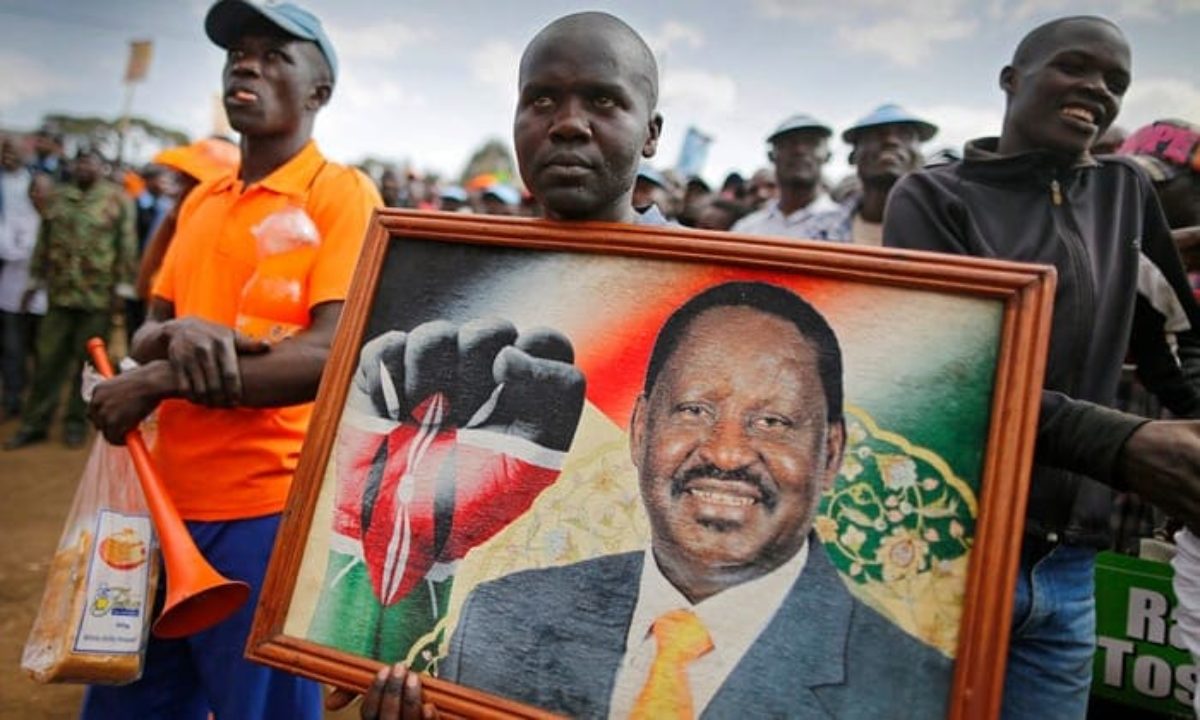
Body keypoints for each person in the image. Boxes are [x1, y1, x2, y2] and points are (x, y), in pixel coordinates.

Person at [350, 282, 952, 720]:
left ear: (831, 452)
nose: (726, 452)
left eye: (772, 422)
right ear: (640, 431)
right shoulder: (504, 615)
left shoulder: (916, 691)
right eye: (694, 410)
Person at [321, 9, 673, 709]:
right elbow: (359, 643)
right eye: (541, 100)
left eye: (603, 101)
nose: (567, 124)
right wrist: (387, 617)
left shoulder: (712, 307)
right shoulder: (448, 291)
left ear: (652, 133)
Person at [882, 16, 1200, 720]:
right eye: (1075, 67)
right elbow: (945, 378)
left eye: (1116, 81)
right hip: (945, 551)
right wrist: (1121, 445)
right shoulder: (933, 197)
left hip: (1069, 568)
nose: (1097, 89)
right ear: (1011, 79)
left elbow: (1176, 346)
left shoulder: (1125, 194)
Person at [85, 1, 381, 718]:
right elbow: (150, 327)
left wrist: (159, 378)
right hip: (157, 504)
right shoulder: (203, 202)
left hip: (263, 516)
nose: (246, 65)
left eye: (275, 56)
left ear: (319, 91)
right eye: (238, 54)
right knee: (132, 703)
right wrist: (180, 335)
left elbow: (327, 355)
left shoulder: (341, 195)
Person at [4, 147, 135, 450]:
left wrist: (122, 290)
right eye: (80, 162)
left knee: (87, 365)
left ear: (101, 167)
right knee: (48, 360)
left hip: (97, 297)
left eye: (91, 162)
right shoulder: (59, 197)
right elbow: (44, 241)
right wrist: (34, 281)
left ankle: (76, 422)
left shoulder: (117, 199)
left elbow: (127, 246)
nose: (84, 167)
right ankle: (35, 423)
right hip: (60, 295)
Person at [830, 104, 937, 245]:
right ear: (853, 157)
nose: (891, 141)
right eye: (875, 134)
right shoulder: (813, 230)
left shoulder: (949, 227)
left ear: (921, 158)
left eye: (905, 134)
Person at [731, 115, 844, 240]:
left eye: (811, 142)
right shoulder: (746, 229)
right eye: (788, 143)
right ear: (771, 156)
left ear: (828, 155)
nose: (800, 150)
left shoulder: (846, 227)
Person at [0, 137, 45, 419]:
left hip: (44, 298)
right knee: (12, 347)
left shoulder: (55, 220)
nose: (38, 195)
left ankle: (35, 401)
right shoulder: (15, 219)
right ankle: (13, 398)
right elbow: (8, 248)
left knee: (40, 350)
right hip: (12, 291)